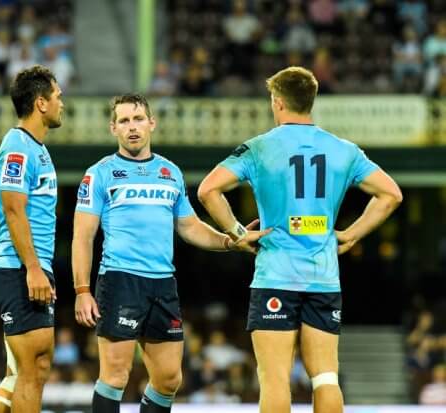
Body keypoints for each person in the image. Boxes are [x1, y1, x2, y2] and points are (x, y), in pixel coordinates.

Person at [197, 66, 403, 413]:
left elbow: (208, 190)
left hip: (276, 275)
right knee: (326, 378)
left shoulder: (259, 148)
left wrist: (237, 233)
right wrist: (350, 234)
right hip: (323, 277)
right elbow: (391, 195)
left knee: (275, 380)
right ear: (311, 101)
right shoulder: (344, 150)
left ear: (277, 102)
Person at [71, 93, 269, 413]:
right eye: (124, 121)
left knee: (168, 379)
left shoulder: (170, 172)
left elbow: (190, 227)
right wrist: (82, 290)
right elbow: (83, 235)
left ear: (152, 123)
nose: (132, 127)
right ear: (113, 128)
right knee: (116, 375)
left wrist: (230, 240)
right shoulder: (100, 173)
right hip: (121, 280)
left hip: (163, 284)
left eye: (137, 119)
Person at [0, 64, 64, 413]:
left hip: (28, 267)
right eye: (58, 96)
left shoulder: (36, 148)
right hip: (17, 268)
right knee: (34, 368)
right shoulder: (18, 148)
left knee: (22, 373)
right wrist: (33, 268)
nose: (63, 103)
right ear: (41, 104)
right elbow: (13, 210)